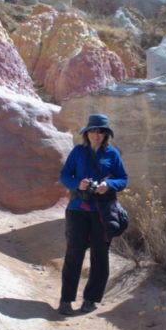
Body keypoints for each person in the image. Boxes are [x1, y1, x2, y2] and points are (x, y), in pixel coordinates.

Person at [57, 113, 128, 316]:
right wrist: (77, 184)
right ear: (87, 133)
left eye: (101, 132)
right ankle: (66, 300)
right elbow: (65, 175)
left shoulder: (112, 154)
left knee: (100, 256)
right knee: (74, 254)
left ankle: (90, 300)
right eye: (93, 131)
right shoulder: (78, 152)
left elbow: (123, 179)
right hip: (77, 210)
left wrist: (109, 185)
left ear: (106, 135)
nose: (97, 135)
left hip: (102, 212)